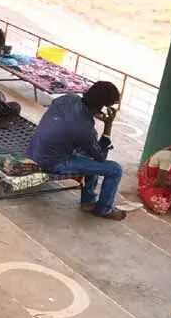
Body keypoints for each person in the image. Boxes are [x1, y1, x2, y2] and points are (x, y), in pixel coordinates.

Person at [27, 81, 126, 220]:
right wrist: (108, 126)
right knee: (115, 169)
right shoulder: (84, 128)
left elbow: (69, 120)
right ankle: (104, 209)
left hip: (35, 149)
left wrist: (90, 115)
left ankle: (89, 200)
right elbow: (101, 156)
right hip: (52, 162)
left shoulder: (69, 98)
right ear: (101, 106)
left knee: (91, 149)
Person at [137, 131, 171, 214]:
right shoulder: (169, 156)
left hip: (170, 181)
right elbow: (159, 183)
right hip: (152, 185)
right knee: (161, 206)